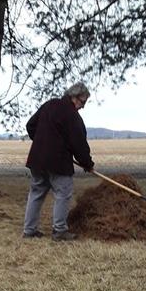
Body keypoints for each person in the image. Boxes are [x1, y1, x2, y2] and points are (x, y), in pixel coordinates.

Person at [22, 82, 95, 241]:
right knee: (63, 194)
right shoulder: (72, 116)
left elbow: (30, 125)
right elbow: (79, 144)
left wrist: (42, 142)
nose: (83, 106)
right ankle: (60, 231)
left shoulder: (49, 105)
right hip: (58, 163)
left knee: (36, 193)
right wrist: (87, 163)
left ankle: (29, 231)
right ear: (74, 97)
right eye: (82, 102)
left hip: (38, 159)